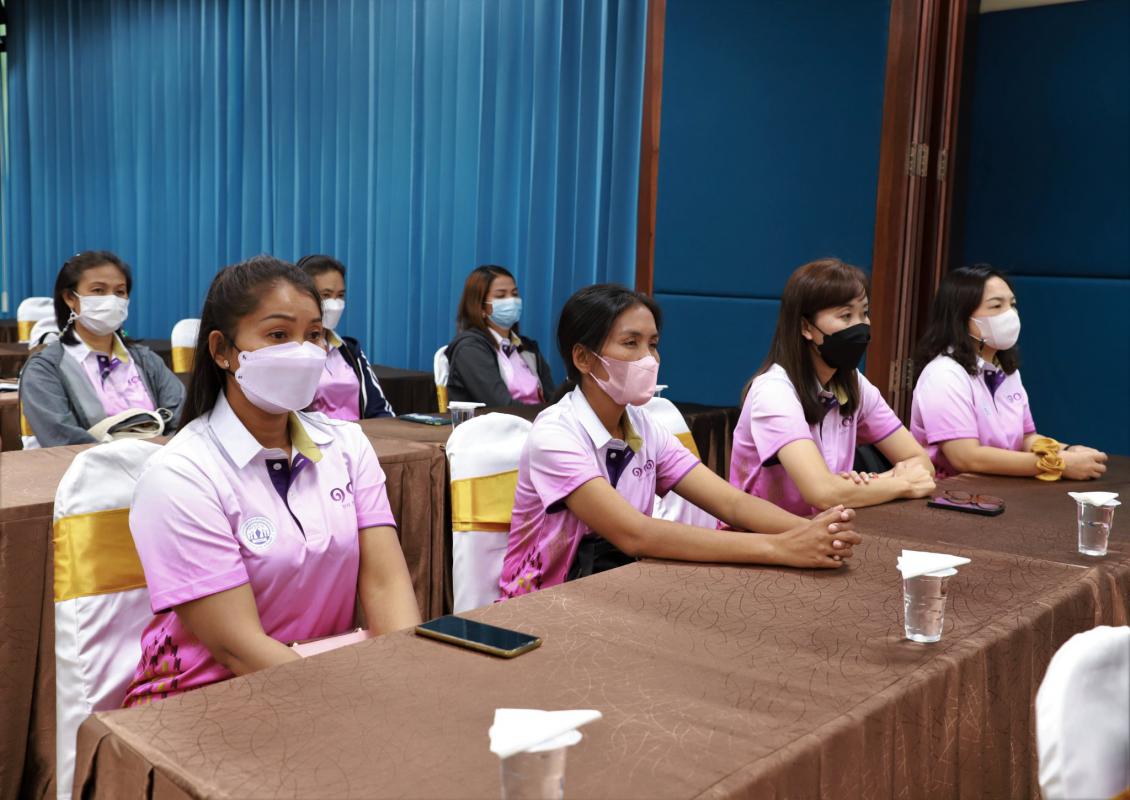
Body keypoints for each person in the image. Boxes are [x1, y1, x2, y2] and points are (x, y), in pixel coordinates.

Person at [123, 255, 419, 705]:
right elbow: (236, 647)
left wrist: (404, 678)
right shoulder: (180, 474)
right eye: (278, 335)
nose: (302, 352)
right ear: (222, 350)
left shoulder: (347, 445)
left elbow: (386, 585)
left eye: (313, 335)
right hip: (205, 698)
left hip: (323, 679)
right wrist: (350, 703)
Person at [499, 283, 861, 600]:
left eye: (653, 344)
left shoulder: (643, 426)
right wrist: (779, 548)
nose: (648, 358)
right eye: (630, 343)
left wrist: (813, 532)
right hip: (543, 602)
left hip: (617, 584)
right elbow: (635, 534)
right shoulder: (556, 434)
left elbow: (731, 503)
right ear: (583, 358)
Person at [729, 259, 935, 517]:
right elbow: (823, 493)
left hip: (825, 526)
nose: (861, 326)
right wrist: (902, 484)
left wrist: (871, 484)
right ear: (806, 327)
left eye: (864, 313)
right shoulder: (774, 391)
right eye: (846, 316)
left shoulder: (853, 382)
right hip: (762, 534)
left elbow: (921, 463)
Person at [911, 265, 1106, 480]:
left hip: (1003, 488)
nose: (1010, 314)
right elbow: (966, 458)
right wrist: (1057, 464)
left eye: (1012, 305)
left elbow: (1025, 439)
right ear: (961, 317)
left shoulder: (1006, 370)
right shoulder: (944, 375)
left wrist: (1067, 450)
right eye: (996, 306)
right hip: (952, 493)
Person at [19, 251, 184, 448]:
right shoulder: (45, 368)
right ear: (70, 298)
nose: (111, 300)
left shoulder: (146, 360)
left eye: (120, 292)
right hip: (86, 465)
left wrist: (165, 454)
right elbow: (62, 438)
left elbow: (181, 416)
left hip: (159, 460)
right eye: (98, 290)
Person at [297, 254, 393, 419]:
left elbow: (379, 408)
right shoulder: (291, 351)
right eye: (326, 295)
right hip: (315, 434)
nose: (335, 304)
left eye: (340, 295)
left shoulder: (349, 350)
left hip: (360, 434)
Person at [445, 265, 554, 406]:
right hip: (503, 419)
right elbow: (500, 404)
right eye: (501, 296)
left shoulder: (527, 347)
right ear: (481, 307)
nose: (512, 301)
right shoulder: (469, 349)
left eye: (515, 294)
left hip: (538, 418)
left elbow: (552, 399)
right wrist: (544, 415)